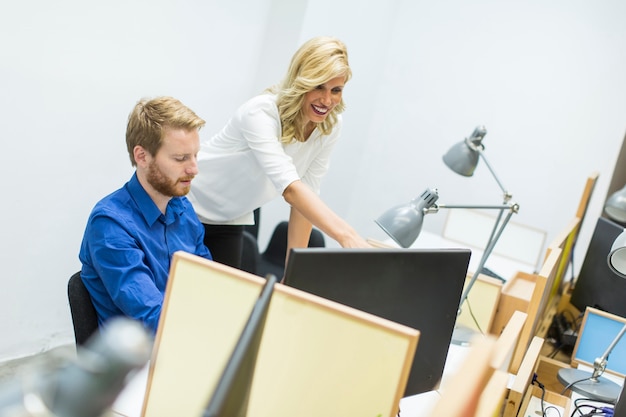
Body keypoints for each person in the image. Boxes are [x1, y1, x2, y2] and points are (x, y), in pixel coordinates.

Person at [188, 36, 370, 269]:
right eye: (318, 86)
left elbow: (306, 199)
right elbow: (291, 190)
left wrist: (292, 271)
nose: (327, 100)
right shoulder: (261, 112)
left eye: (336, 90)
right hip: (188, 204)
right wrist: (348, 236)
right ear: (301, 80)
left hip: (229, 220)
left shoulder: (329, 126)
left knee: (222, 299)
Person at [79, 96, 212, 334]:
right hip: (141, 360)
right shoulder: (110, 224)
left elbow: (209, 283)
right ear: (141, 156)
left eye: (195, 155)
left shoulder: (183, 208)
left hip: (185, 339)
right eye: (180, 158)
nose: (194, 169)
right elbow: (153, 318)